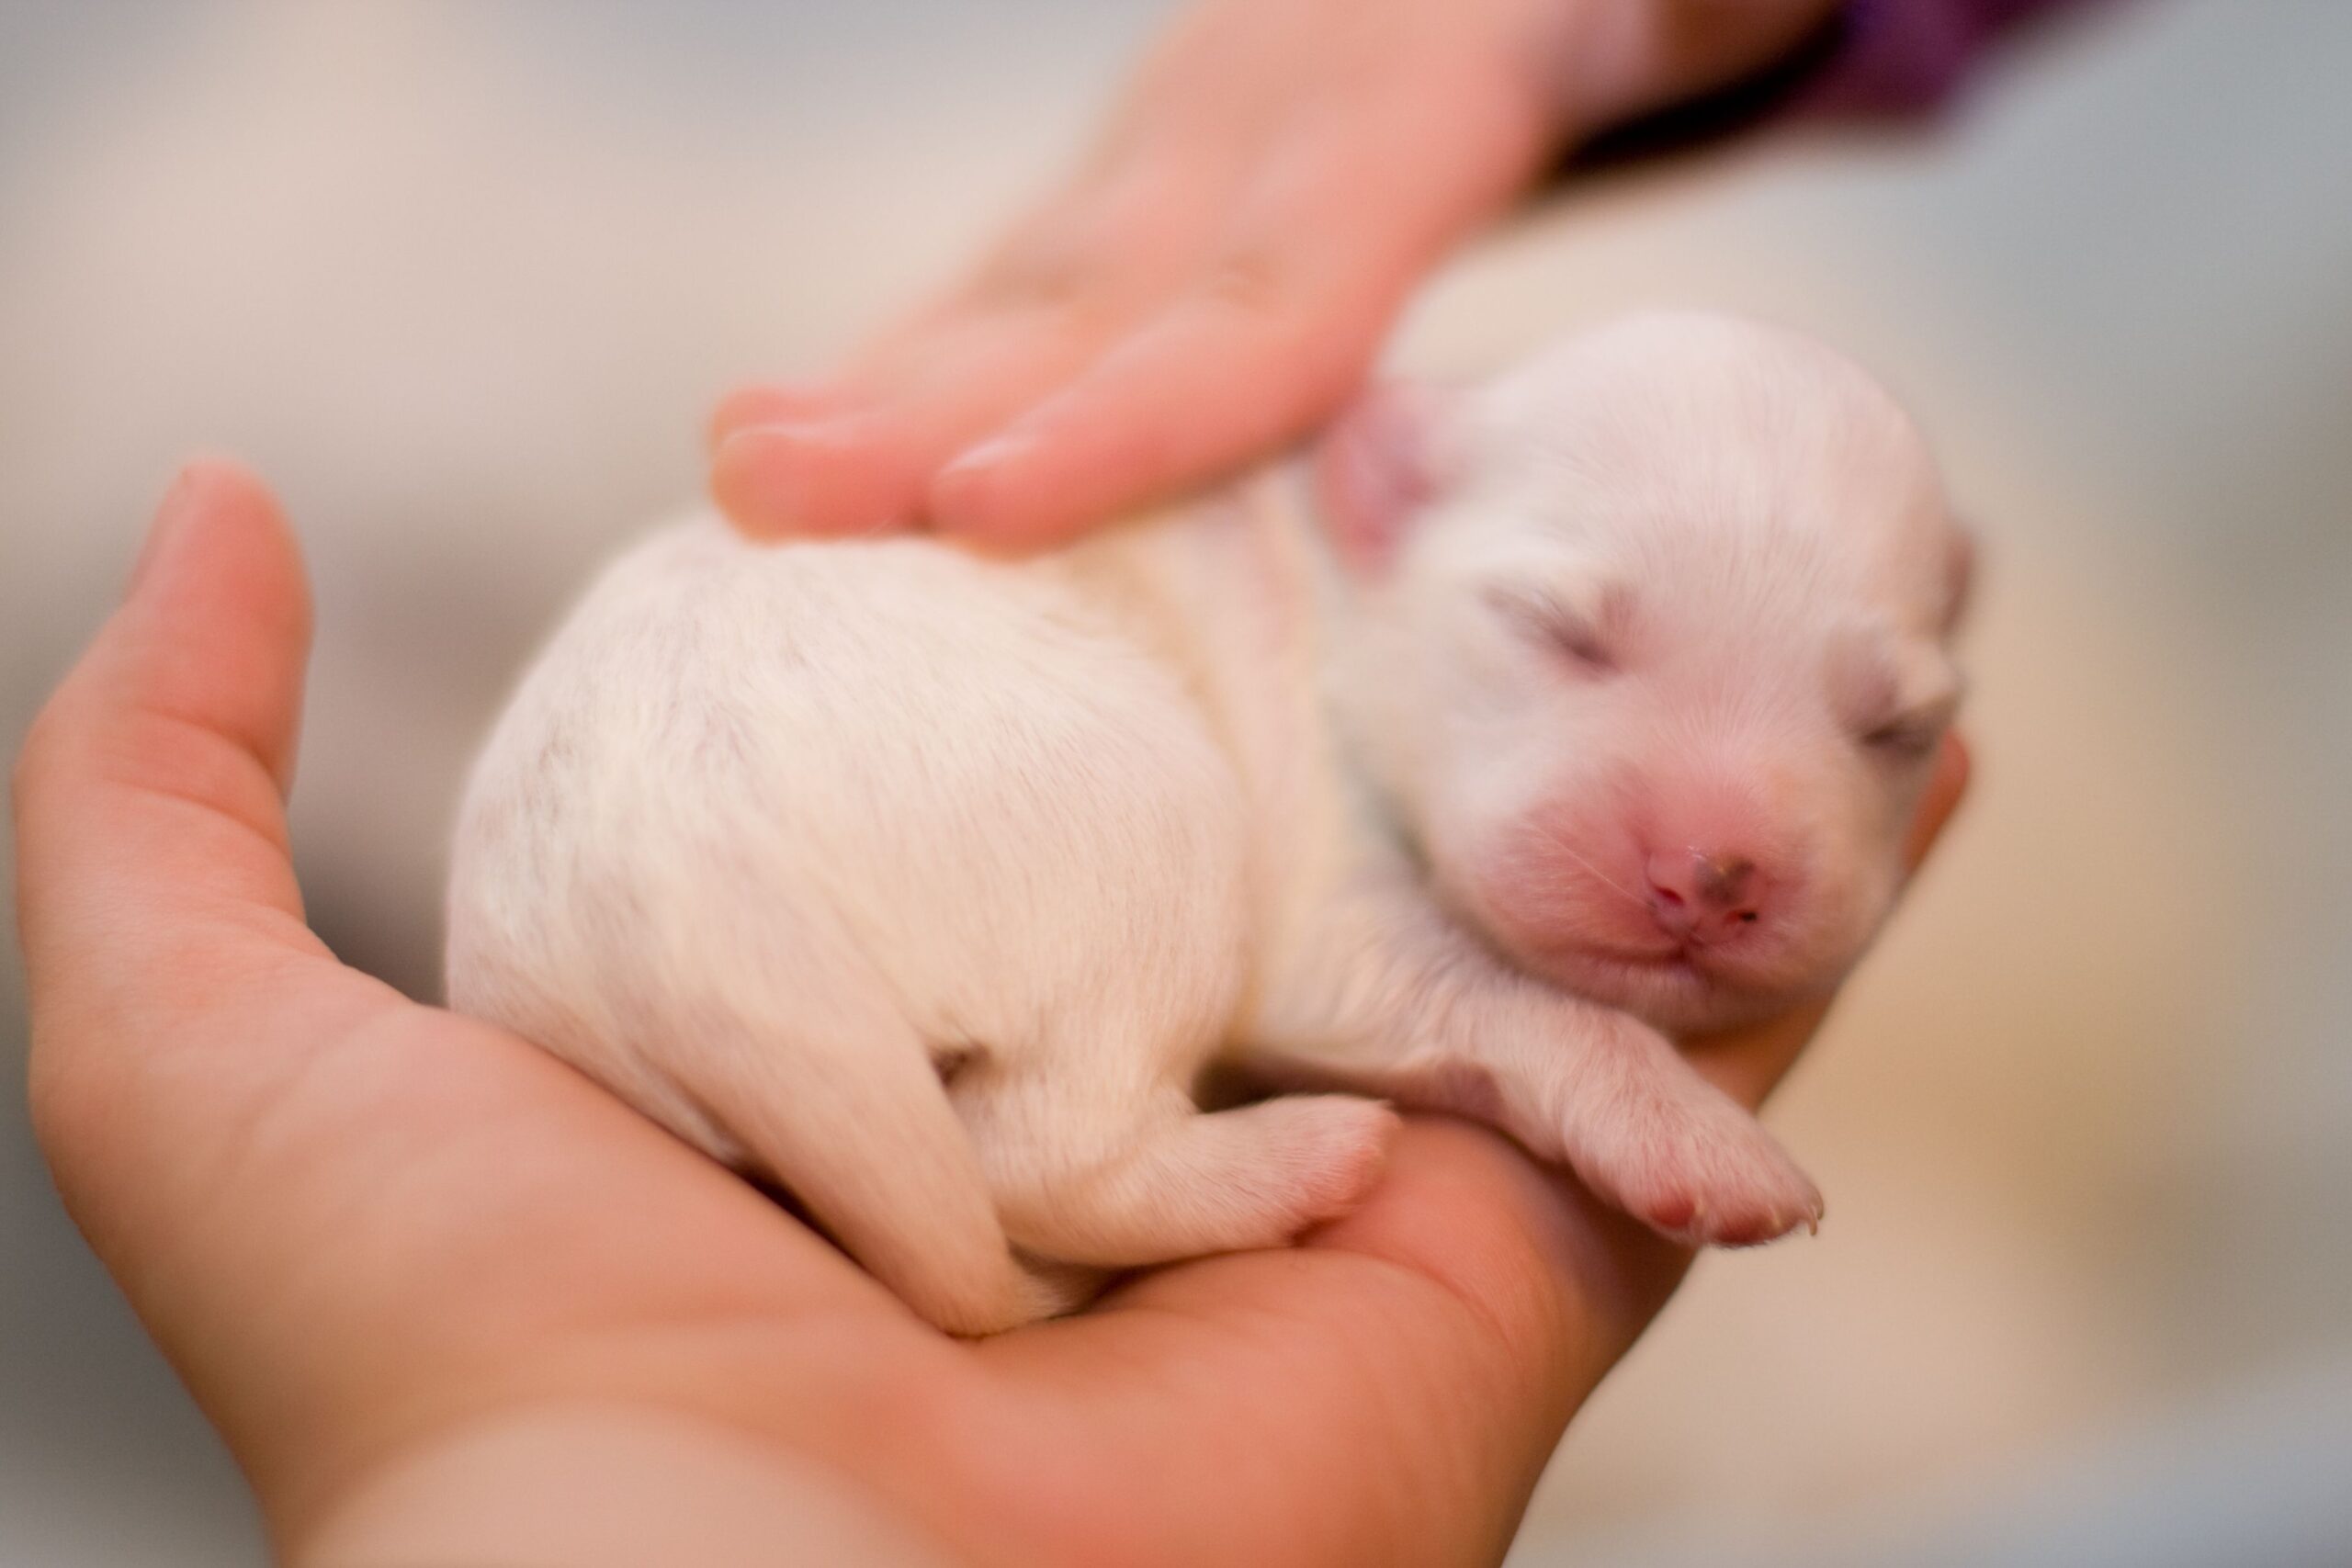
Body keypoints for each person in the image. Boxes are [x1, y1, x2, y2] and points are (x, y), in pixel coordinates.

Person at [16, 1, 1982, 1561]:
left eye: (1878, 725)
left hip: (662, 910)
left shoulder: (1300, 599)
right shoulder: (1236, 589)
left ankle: (995, 1148)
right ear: (1377, 498)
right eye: (1566, 634)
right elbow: (1308, 950)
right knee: (1148, 827)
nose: (1726, 837)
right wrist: (1574, 1060)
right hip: (826, 799)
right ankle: (1077, 1149)